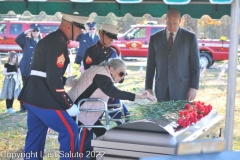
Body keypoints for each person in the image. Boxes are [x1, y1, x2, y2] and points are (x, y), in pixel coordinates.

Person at [18, 13, 87, 160]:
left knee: (35, 136)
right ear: (69, 26)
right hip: (43, 97)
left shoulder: (53, 39)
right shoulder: (58, 43)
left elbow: (44, 71)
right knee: (70, 131)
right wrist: (68, 105)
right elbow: (52, 79)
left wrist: (64, 81)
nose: (82, 31)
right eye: (79, 28)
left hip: (33, 95)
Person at [68, 58, 155, 160]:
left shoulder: (101, 72)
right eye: (121, 74)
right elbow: (113, 92)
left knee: (103, 134)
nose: (121, 78)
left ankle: (95, 157)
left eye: (124, 75)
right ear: (111, 69)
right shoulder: (101, 75)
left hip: (82, 110)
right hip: (78, 111)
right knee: (95, 137)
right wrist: (139, 96)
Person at [145, 8, 200, 101]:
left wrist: (193, 87)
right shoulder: (155, 38)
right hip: (161, 89)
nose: (172, 26)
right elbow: (150, 65)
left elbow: (195, 65)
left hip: (182, 89)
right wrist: (148, 88)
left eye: (175, 23)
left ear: (180, 21)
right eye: (169, 23)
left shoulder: (190, 38)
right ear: (165, 20)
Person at [83, 23, 130, 124]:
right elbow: (91, 75)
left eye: (113, 38)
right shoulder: (91, 52)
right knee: (91, 126)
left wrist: (121, 75)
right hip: (95, 95)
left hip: (110, 94)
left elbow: (120, 74)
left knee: (125, 118)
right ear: (100, 33)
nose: (111, 40)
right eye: (109, 37)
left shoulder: (113, 51)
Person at [15, 23, 42, 112]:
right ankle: (23, 106)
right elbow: (17, 39)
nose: (35, 32)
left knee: (36, 87)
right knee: (25, 87)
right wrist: (25, 32)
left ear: (39, 32)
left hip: (37, 69)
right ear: (31, 31)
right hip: (26, 68)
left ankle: (34, 105)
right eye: (33, 30)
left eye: (37, 30)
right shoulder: (26, 41)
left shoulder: (43, 42)